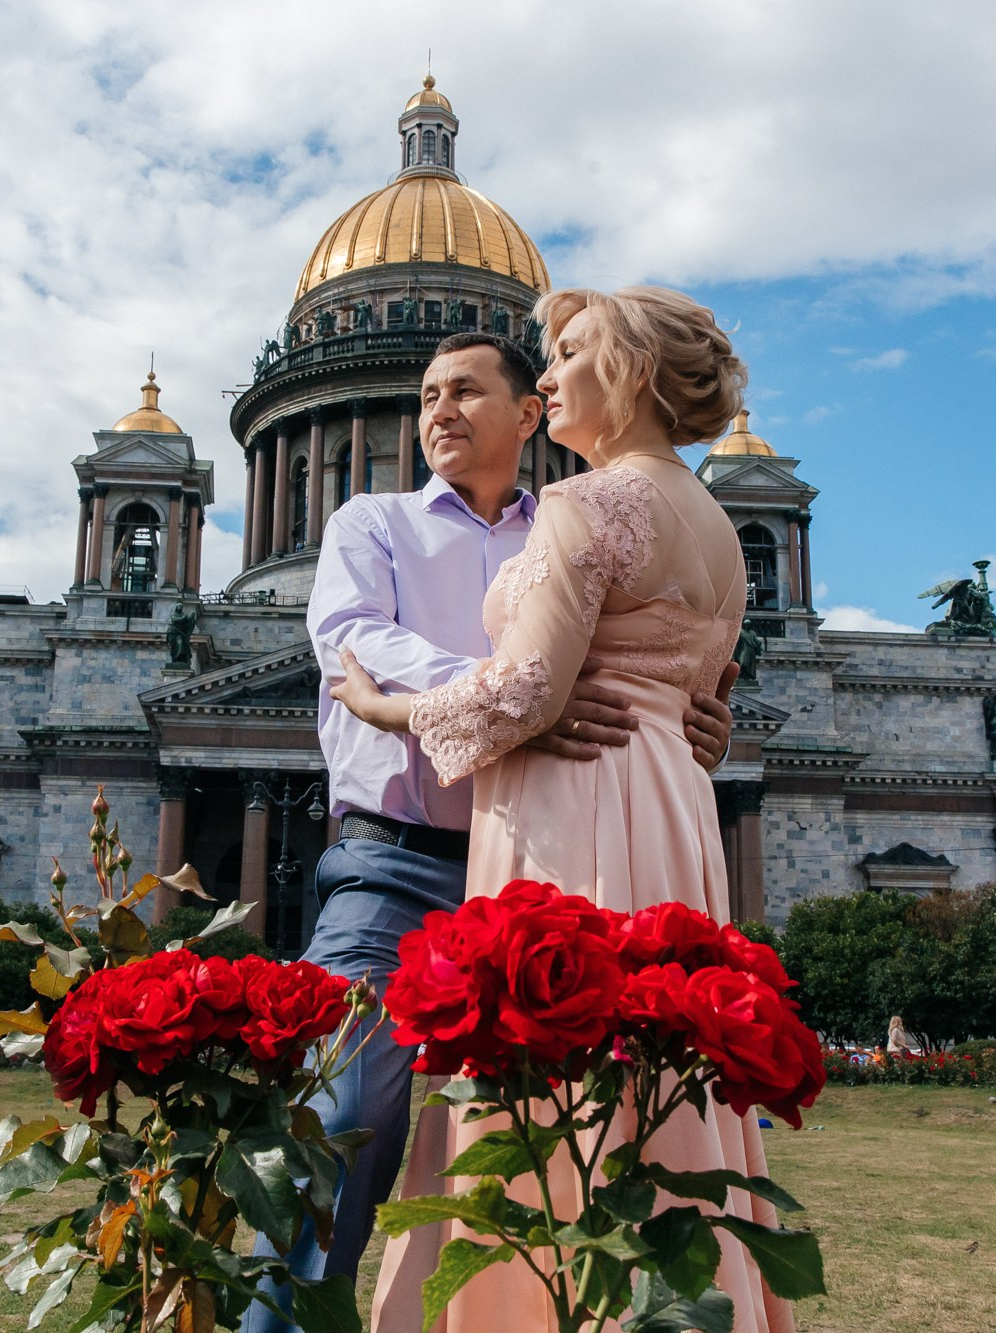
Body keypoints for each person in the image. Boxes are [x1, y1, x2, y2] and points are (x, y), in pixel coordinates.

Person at [240, 322, 738, 1333]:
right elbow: (351, 646)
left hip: (542, 874)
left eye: (466, 390)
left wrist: (689, 711)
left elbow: (651, 663)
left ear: (529, 412)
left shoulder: (581, 516)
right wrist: (516, 696)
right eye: (425, 393)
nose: (438, 411)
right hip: (393, 869)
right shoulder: (370, 523)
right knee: (339, 1124)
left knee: (550, 1149)